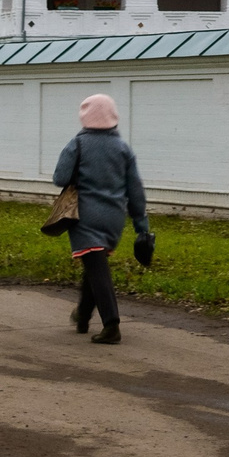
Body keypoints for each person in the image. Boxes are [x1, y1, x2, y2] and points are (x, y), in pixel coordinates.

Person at [51, 92, 151, 344]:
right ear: (113, 117)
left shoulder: (78, 144)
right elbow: (136, 191)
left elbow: (59, 179)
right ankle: (83, 315)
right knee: (94, 265)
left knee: (96, 266)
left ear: (85, 117)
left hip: (84, 216)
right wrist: (142, 226)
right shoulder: (123, 149)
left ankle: (111, 325)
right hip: (114, 219)